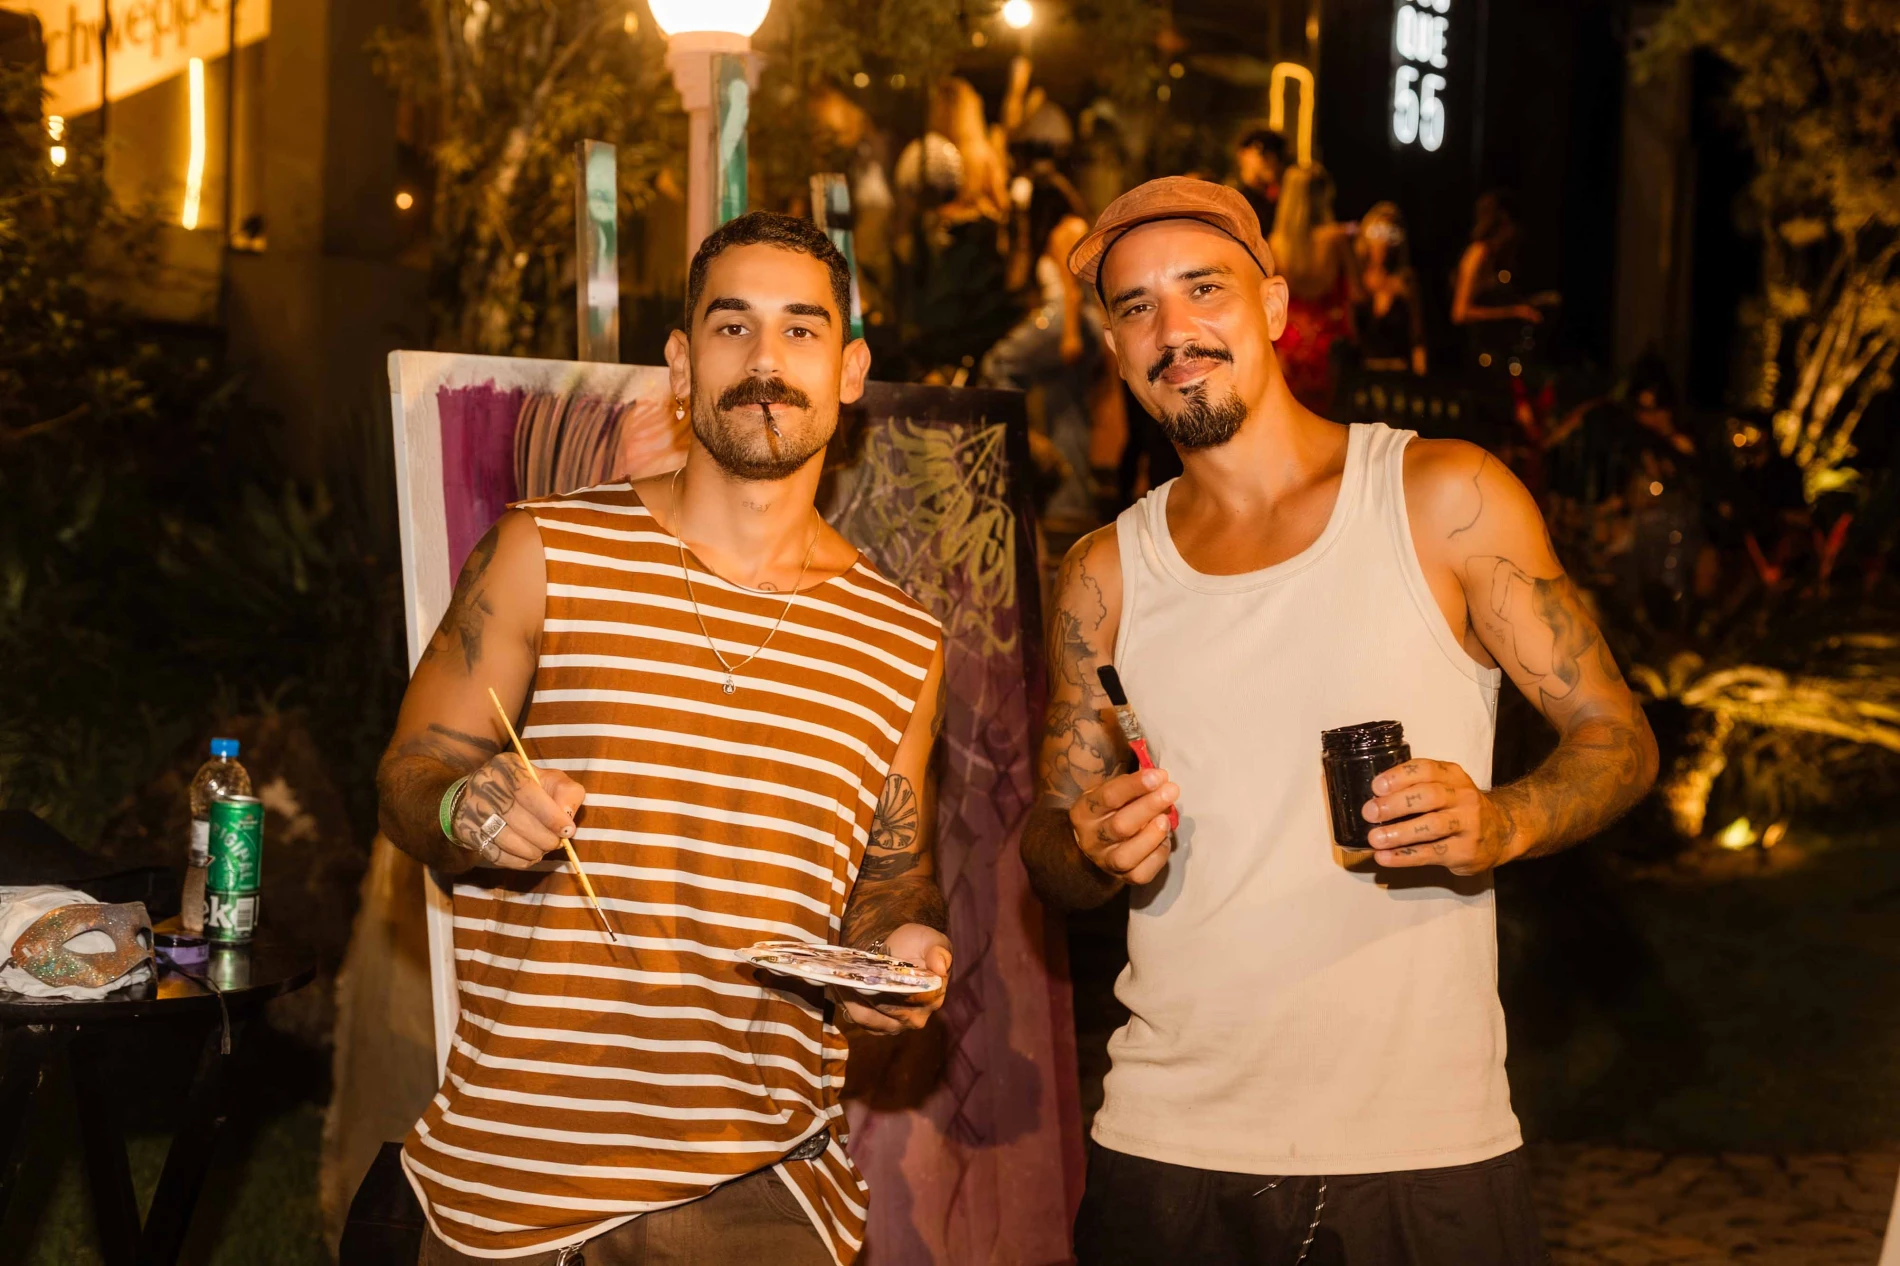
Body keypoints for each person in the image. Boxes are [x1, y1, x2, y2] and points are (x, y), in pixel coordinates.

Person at [1030, 177, 1659, 1264]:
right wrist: (1087, 845)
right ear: (1116, 347)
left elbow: (1619, 735)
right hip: (1167, 1150)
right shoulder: (1103, 574)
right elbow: (1047, 845)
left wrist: (1504, 820)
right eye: (1136, 307)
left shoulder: (1441, 497)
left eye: (1203, 289)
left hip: (1419, 1151)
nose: (1173, 331)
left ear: (1275, 306)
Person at [377, 212, 952, 1265]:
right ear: (682, 366)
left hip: (759, 1185)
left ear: (850, 371)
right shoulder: (543, 551)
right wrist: (468, 804)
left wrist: (902, 951)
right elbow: (413, 771)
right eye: (733, 327)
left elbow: (891, 878)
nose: (766, 362)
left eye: (801, 329)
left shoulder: (901, 642)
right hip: (514, 1173)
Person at [1268, 163, 1358, 411]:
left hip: (1288, 344)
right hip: (1327, 345)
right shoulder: (1335, 239)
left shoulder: (1275, 244)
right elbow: (1357, 293)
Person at [1452, 189, 1546, 377]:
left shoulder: (1497, 258)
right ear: (1504, 221)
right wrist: (1514, 312)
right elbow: (1460, 313)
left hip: (1497, 356)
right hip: (1480, 359)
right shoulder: (1478, 254)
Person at [1352, 201, 1427, 377]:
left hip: (1398, 373)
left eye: (1392, 233)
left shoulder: (1406, 282)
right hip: (1359, 374)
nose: (1383, 241)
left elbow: (1417, 337)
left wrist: (1421, 377)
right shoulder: (1354, 278)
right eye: (1377, 232)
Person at [1233, 127, 1290, 239]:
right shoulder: (1235, 202)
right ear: (1243, 155)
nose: (1272, 161)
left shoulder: (1277, 200)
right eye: (1264, 154)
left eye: (1277, 156)